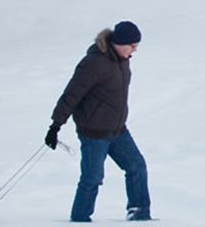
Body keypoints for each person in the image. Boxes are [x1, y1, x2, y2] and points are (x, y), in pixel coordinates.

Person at [47, 20, 151, 222]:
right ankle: (80, 220)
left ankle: (139, 214)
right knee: (92, 178)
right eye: (132, 46)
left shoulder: (123, 60)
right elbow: (72, 94)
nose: (135, 50)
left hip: (118, 130)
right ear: (119, 43)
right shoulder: (94, 63)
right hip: (94, 133)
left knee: (137, 166)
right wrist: (55, 125)